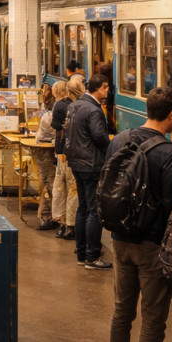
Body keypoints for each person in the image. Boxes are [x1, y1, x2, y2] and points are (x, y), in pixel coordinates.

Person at [105, 87, 172, 342]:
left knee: (123, 312)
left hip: (119, 239)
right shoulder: (169, 152)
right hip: (151, 246)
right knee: (154, 320)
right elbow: (171, 205)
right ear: (171, 115)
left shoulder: (120, 139)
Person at [65, 73, 112, 269]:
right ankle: (92, 257)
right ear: (99, 88)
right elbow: (100, 137)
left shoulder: (73, 106)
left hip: (76, 162)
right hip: (92, 164)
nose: (108, 91)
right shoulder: (94, 110)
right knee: (94, 211)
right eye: (106, 87)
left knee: (83, 207)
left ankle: (81, 253)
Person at [50, 78, 81, 239]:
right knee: (72, 190)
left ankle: (61, 223)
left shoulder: (59, 105)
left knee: (59, 188)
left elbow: (54, 125)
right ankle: (70, 226)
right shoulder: (73, 106)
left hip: (60, 151)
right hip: (70, 154)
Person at [33, 84, 60, 231]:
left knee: (47, 184)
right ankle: (48, 217)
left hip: (44, 154)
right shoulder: (50, 118)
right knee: (50, 185)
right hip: (48, 155)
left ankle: (46, 217)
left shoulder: (46, 117)